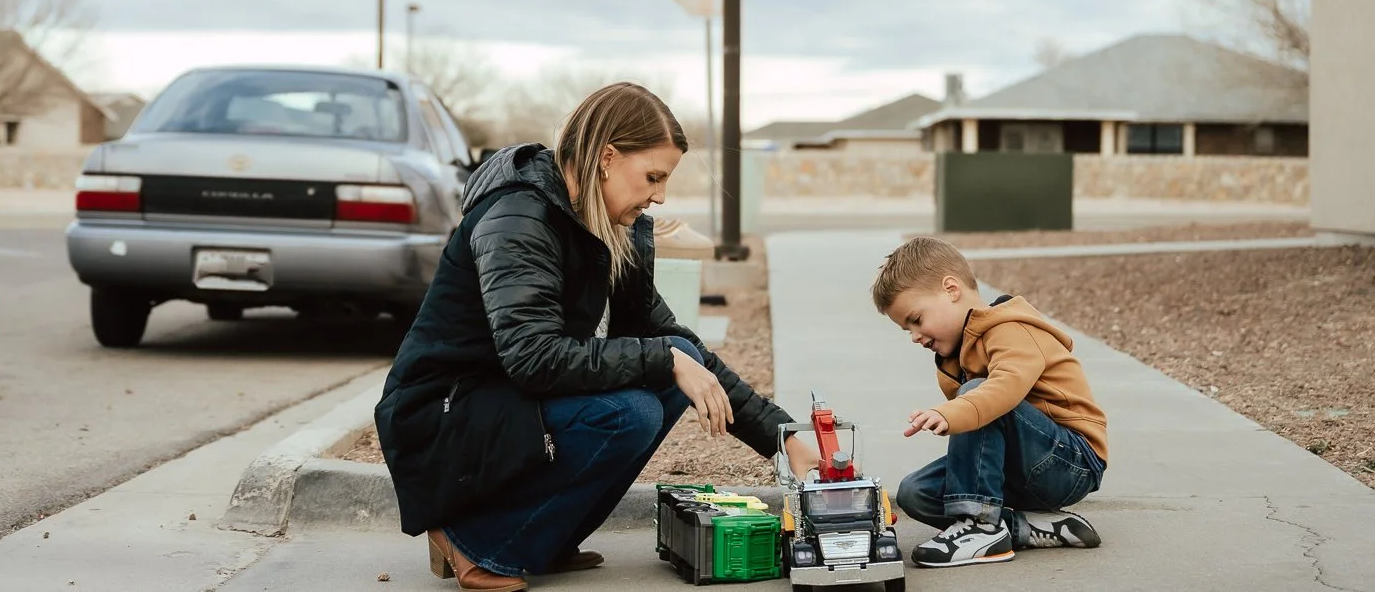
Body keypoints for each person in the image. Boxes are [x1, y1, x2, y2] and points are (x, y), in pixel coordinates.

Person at [375, 82, 817, 591]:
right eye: (653, 176)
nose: (660, 195)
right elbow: (533, 358)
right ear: (607, 157)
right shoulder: (519, 216)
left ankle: (544, 537)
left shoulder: (603, 227)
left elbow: (673, 340)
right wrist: (663, 359)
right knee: (631, 411)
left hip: (500, 402)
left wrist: (784, 441)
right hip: (443, 413)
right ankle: (476, 541)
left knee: (681, 361)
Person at [870, 235, 1108, 567]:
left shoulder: (1010, 329)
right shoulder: (958, 356)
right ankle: (1030, 527)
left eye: (917, 319)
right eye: (906, 328)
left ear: (951, 290)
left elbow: (1004, 390)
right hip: (1021, 468)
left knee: (979, 394)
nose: (914, 335)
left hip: (1071, 463)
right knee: (915, 492)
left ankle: (980, 527)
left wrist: (953, 410)